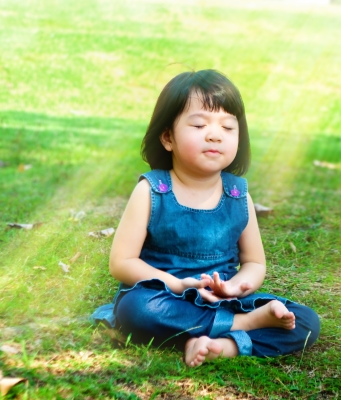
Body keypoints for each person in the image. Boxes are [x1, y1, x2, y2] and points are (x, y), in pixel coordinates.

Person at [91, 69, 320, 367]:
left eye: (228, 127)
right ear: (167, 137)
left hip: (222, 299)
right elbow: (121, 263)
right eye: (199, 124)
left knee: (305, 321)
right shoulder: (153, 191)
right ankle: (243, 326)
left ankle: (220, 346)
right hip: (165, 296)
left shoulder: (238, 195)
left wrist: (237, 287)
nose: (214, 134)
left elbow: (254, 263)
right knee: (136, 310)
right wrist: (176, 284)